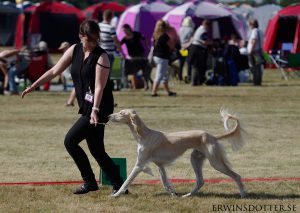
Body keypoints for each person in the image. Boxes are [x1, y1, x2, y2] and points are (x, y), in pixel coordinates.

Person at [22, 20, 126, 195]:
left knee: (70, 141)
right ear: (81, 37)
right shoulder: (74, 50)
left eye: (95, 40)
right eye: (89, 40)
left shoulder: (102, 56)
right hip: (86, 106)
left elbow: (100, 87)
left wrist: (95, 111)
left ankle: (90, 181)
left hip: (99, 107)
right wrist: (34, 86)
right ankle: (119, 184)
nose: (93, 43)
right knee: (97, 150)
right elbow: (54, 71)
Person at [120, 24, 152, 90]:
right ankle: (135, 86)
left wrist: (148, 48)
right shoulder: (125, 38)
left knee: (144, 71)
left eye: (125, 30)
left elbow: (144, 39)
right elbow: (119, 46)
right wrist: (122, 54)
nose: (124, 32)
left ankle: (146, 85)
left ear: (129, 29)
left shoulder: (136, 34)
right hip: (133, 56)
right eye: (123, 31)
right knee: (133, 72)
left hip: (141, 54)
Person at [151, 20, 176, 97]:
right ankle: (153, 92)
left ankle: (168, 92)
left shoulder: (155, 35)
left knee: (164, 75)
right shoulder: (165, 36)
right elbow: (171, 46)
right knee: (160, 75)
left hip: (156, 56)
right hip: (163, 57)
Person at [188, 19, 212, 86]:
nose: (209, 29)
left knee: (195, 66)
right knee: (197, 66)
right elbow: (205, 42)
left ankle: (195, 82)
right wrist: (212, 42)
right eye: (209, 27)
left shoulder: (199, 28)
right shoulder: (203, 31)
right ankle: (195, 82)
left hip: (194, 48)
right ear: (207, 25)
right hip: (198, 49)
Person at [58, 41, 76, 106]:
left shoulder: (70, 54)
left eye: (64, 48)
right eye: (62, 49)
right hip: (70, 74)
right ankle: (70, 101)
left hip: (71, 74)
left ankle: (70, 101)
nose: (63, 50)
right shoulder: (69, 54)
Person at [247, 19, 264, 86]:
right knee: (258, 67)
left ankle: (256, 82)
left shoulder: (254, 31)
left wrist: (251, 50)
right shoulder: (260, 31)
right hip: (259, 50)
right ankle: (258, 82)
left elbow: (254, 40)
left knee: (254, 68)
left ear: (252, 25)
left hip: (254, 51)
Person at [178, 16, 195, 82]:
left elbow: (178, 38)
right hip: (188, 48)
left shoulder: (181, 29)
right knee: (188, 63)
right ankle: (188, 76)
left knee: (181, 63)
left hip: (182, 47)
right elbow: (192, 39)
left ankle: (180, 76)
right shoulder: (191, 29)